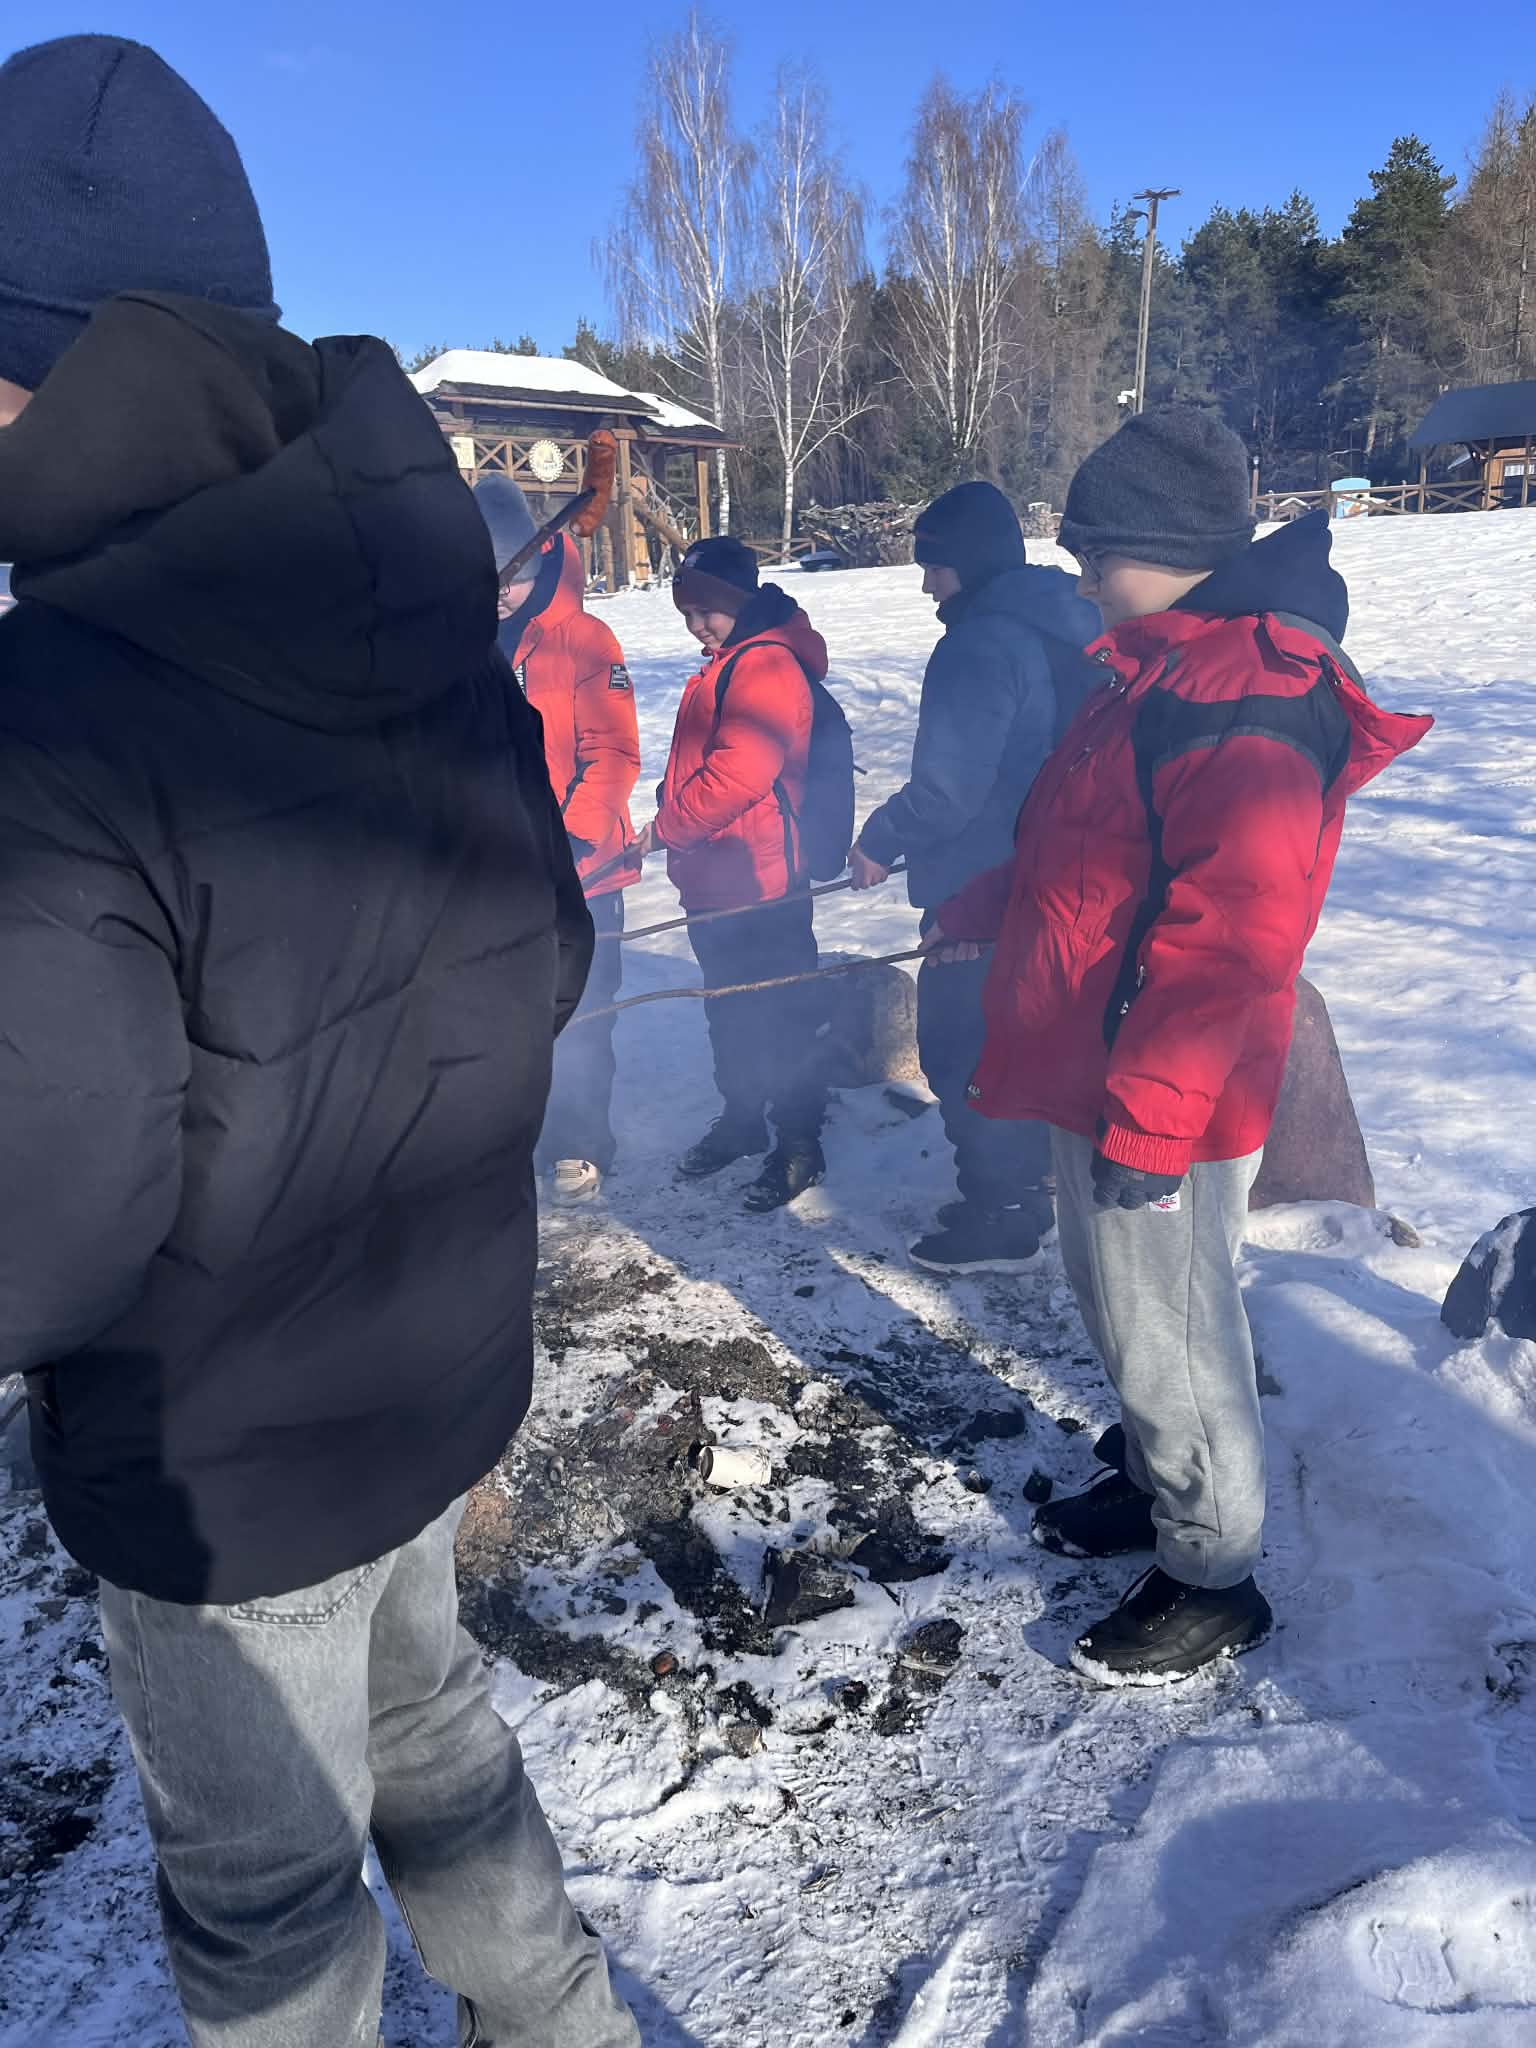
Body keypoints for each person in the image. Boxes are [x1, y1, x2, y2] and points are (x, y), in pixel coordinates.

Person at [0, 35, 638, 2048]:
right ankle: (570, 2023)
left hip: (224, 1450)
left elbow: (46, 1221)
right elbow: (547, 953)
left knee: (269, 1893)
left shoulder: (58, 701)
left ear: (39, 372)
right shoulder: (410, 582)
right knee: (433, 1726)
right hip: (428, 1363)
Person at [927, 409, 1431, 1685]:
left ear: (1165, 550)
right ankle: (1164, 1477)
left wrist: (1154, 1117)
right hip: (1103, 1060)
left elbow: (1231, 934)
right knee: (1116, 1299)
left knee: (1173, 1325)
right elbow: (1092, 847)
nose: (1083, 578)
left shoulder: (1248, 690)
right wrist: (991, 904)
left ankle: (1213, 1573)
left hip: (1164, 1086)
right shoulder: (1160, 667)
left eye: (1096, 555)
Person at [850, 481, 1099, 1275]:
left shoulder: (979, 644)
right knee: (1019, 1040)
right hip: (1054, 874)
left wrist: (880, 839)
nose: (928, 584)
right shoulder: (1064, 624)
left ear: (974, 562)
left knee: (963, 1049)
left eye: (936, 566)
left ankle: (1004, 1213)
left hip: (980, 885)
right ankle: (1026, 1190)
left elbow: (947, 791)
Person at [637, 536, 828, 1212]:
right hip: (716, 881)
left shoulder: (765, 664)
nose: (697, 626)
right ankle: (743, 1120)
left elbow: (740, 774)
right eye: (687, 613)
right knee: (731, 1010)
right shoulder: (730, 662)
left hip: (764, 882)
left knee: (782, 1015)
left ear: (740, 601)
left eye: (707, 611)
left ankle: (800, 1143)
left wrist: (668, 827)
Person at [475, 476, 641, 1204]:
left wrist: (568, 845)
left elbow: (614, 754)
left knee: (583, 1011)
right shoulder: (472, 644)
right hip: (501, 870)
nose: (497, 594)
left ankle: (580, 1141)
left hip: (582, 871)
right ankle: (523, 1133)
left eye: (507, 577)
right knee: (513, 1011)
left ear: (536, 559)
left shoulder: (584, 640)